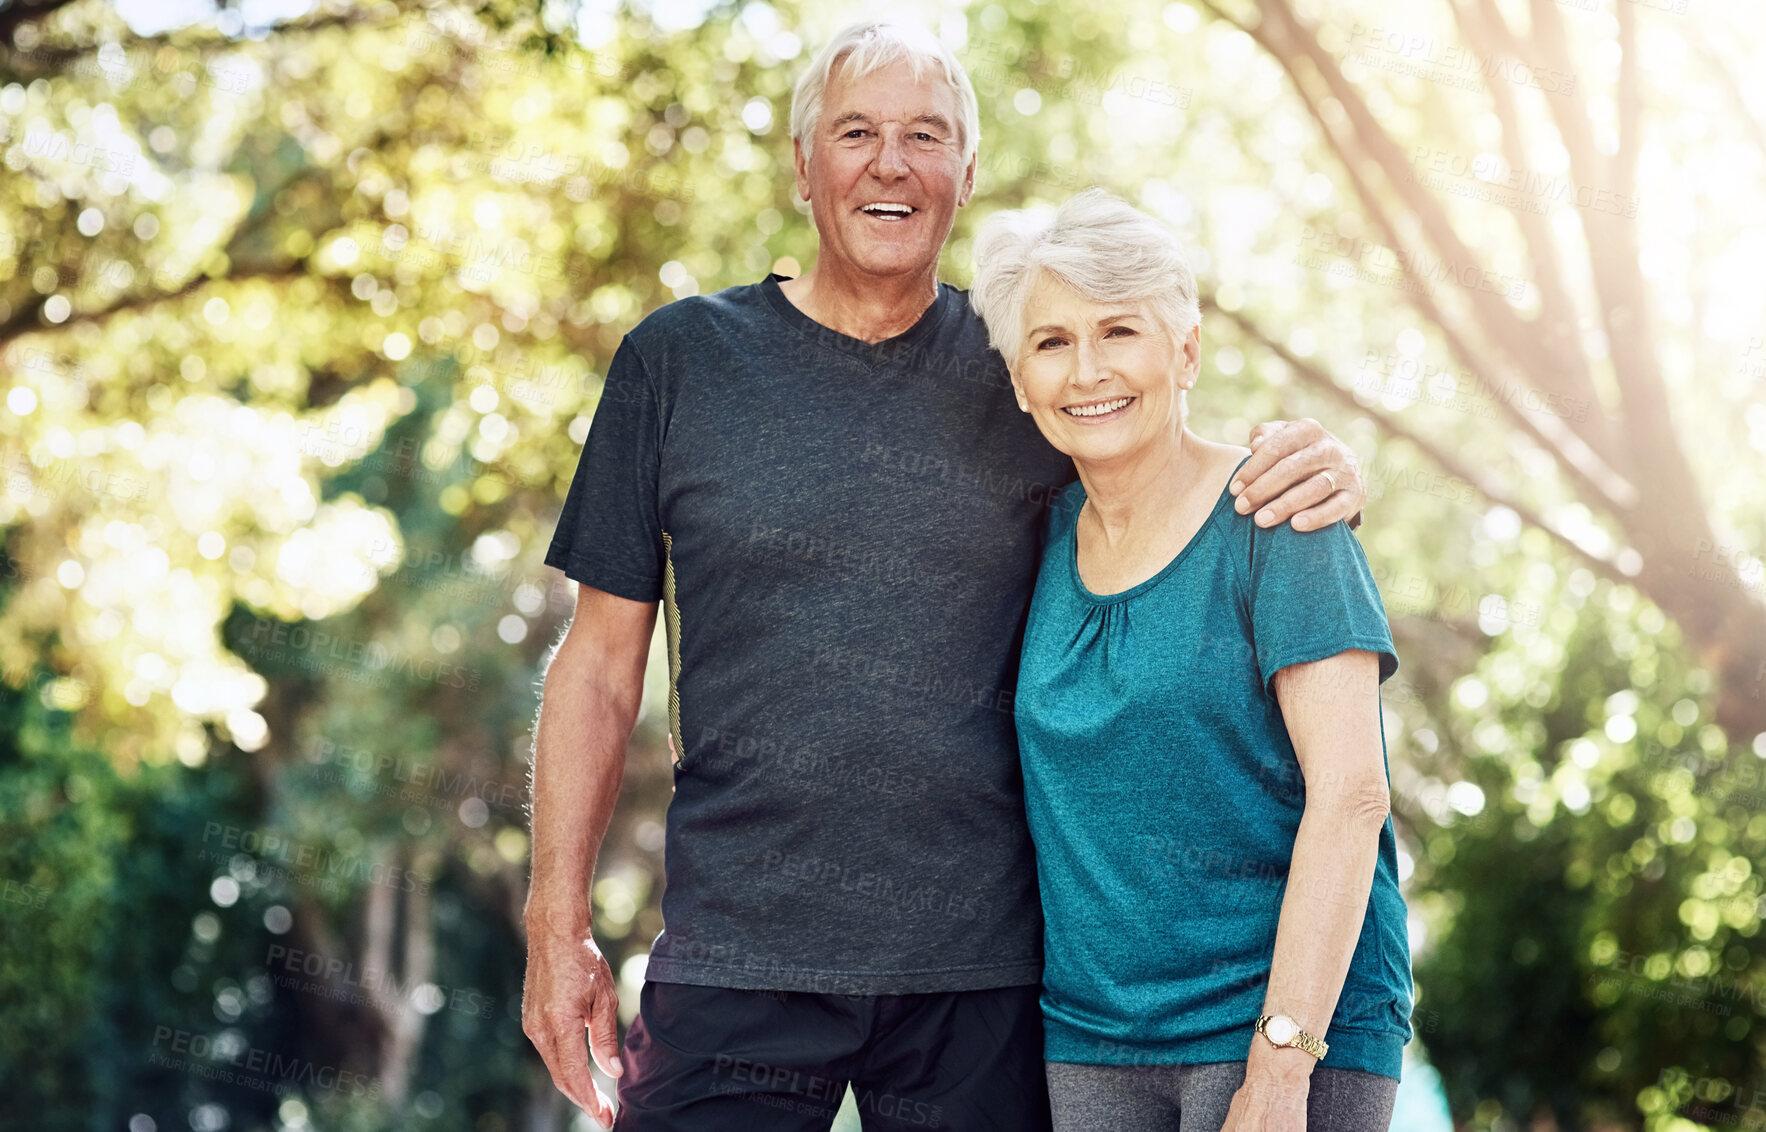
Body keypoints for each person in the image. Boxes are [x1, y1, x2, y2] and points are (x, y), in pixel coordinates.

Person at [523, 20, 1370, 1132]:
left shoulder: (1021, 363)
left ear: (965, 174)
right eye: (856, 132)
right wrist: (555, 921)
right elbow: (595, 664)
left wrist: (1316, 464)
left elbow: (1166, 459)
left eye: (925, 135)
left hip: (988, 977)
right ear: (802, 163)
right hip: (738, 949)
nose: (889, 162)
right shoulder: (678, 364)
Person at [968, 188, 1412, 1132]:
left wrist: (1282, 1068)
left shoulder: (1280, 517)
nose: (1087, 370)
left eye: (1118, 330)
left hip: (1283, 1028)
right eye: (1050, 343)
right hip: (1091, 1042)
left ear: (1187, 349)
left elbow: (1353, 797)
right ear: (1018, 380)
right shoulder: (1033, 542)